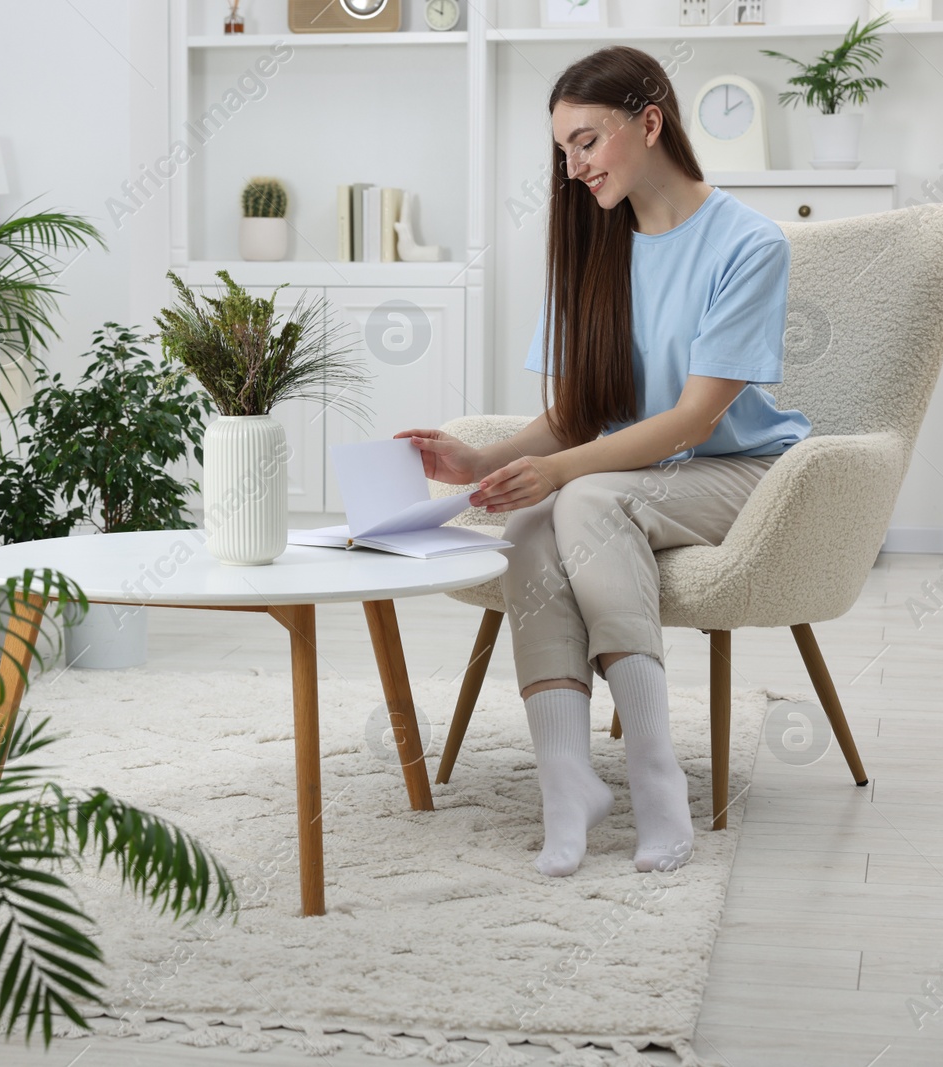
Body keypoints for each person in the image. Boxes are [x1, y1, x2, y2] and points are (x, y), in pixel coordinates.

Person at [396, 45, 811, 877]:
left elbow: (695, 417)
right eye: (563, 151)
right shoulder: (597, 244)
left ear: (649, 122)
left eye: (586, 141)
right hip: (636, 478)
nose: (574, 166)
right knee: (536, 520)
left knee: (581, 499)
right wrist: (484, 456)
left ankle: (656, 781)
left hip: (741, 474)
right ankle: (566, 781)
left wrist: (568, 470)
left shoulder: (748, 243)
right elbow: (580, 413)